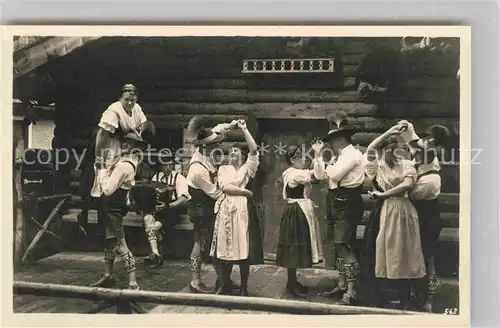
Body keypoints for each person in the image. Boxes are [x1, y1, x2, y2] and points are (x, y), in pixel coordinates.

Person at [358, 124, 427, 310]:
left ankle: (405, 294)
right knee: (383, 248)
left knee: (405, 250)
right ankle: (383, 295)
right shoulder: (376, 167)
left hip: (404, 210)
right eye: (389, 151)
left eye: (396, 151)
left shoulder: (406, 165)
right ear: (383, 152)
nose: (394, 154)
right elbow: (371, 148)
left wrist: (383, 195)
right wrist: (390, 132)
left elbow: (407, 184)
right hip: (385, 211)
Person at [78, 84, 150, 237]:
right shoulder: (113, 111)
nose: (130, 103)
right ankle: (94, 221)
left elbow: (144, 121)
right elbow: (101, 135)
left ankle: (117, 214)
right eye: (127, 100)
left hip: (126, 146)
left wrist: (138, 132)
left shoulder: (136, 108)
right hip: (108, 146)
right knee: (102, 182)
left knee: (123, 178)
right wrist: (99, 156)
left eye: (133, 99)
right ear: (120, 98)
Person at [185, 117, 246, 294]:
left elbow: (221, 129)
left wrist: (233, 124)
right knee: (201, 242)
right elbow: (215, 193)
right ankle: (195, 281)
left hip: (210, 202)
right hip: (201, 205)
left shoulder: (208, 147)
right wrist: (233, 192)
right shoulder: (198, 169)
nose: (217, 147)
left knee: (214, 242)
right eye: (213, 145)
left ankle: (224, 279)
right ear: (204, 147)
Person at [311, 112, 365, 305]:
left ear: (340, 139)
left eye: (332, 140)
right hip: (336, 199)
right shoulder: (339, 156)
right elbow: (320, 175)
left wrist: (326, 167)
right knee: (338, 244)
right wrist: (318, 155)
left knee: (345, 244)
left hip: (347, 201)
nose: (330, 144)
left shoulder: (352, 154)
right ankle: (342, 284)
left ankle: (351, 291)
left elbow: (333, 174)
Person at [398, 120, 451, 312]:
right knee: (412, 255)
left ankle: (429, 298)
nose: (427, 142)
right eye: (427, 138)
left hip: (426, 217)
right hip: (415, 215)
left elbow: (412, 193)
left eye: (432, 140)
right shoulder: (421, 158)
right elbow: (414, 142)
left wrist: (402, 188)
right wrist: (406, 126)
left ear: (438, 145)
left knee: (427, 258)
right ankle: (413, 293)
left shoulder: (432, 174)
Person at [209, 119, 264, 296]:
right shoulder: (223, 169)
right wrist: (245, 192)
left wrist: (244, 130)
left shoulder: (249, 168)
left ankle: (244, 286)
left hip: (242, 211)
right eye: (230, 151)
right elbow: (225, 188)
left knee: (243, 247)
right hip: (226, 210)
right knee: (226, 247)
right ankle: (224, 283)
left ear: (242, 154)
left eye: (236, 151)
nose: (232, 154)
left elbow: (254, 149)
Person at [88, 133, 148, 290]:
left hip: (113, 206)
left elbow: (107, 189)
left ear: (136, 146)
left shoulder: (125, 165)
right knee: (109, 243)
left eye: (130, 143)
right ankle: (108, 276)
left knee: (120, 244)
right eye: (124, 141)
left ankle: (133, 283)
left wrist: (101, 169)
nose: (125, 144)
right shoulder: (123, 160)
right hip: (108, 207)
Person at [275, 145, 323, 298]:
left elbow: (310, 173)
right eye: (300, 157)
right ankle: (291, 284)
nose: (303, 159)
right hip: (298, 210)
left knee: (293, 246)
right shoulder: (295, 174)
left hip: (293, 209)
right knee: (294, 246)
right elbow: (316, 176)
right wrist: (318, 153)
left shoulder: (288, 172)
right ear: (292, 160)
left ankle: (292, 281)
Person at [140, 153, 191, 268]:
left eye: (170, 165)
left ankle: (155, 254)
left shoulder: (179, 178)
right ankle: (156, 254)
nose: (168, 168)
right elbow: (150, 194)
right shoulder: (156, 177)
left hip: (173, 211)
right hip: (158, 210)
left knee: (152, 228)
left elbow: (183, 199)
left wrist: (168, 206)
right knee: (147, 218)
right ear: (161, 166)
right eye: (165, 166)